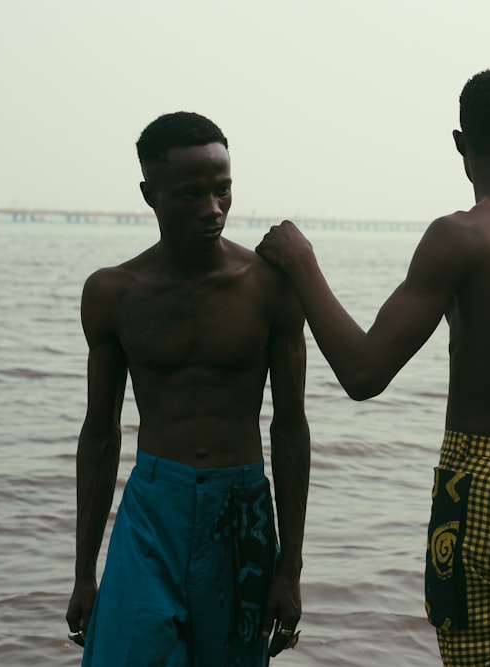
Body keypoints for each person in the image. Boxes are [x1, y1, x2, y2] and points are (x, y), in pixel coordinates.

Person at [256, 69, 490, 666]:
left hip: (484, 492)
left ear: (460, 143)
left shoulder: (460, 236)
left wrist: (303, 264)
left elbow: (364, 372)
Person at [65, 112, 311, 666]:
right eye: (191, 195)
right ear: (150, 194)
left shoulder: (271, 288)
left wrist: (290, 568)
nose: (213, 210)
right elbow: (100, 434)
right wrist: (84, 572)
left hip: (242, 507)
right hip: (153, 507)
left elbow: (291, 426)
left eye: (223, 190)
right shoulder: (113, 293)